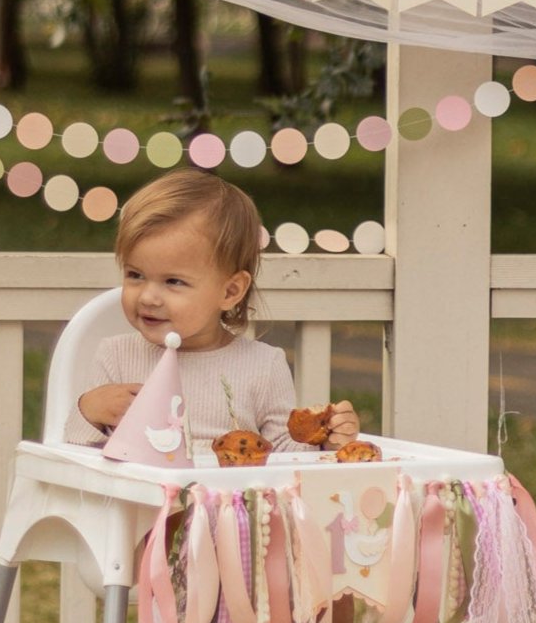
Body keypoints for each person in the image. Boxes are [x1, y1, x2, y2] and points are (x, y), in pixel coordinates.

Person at [63, 168, 359, 452]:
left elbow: (283, 450)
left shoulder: (263, 366)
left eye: (173, 281)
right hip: (138, 502)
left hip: (232, 502)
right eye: (135, 275)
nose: (148, 297)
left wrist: (326, 441)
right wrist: (89, 411)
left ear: (230, 292)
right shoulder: (115, 357)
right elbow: (76, 461)